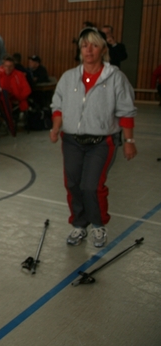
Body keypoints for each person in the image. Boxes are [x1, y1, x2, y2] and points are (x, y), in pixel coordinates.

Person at [50, 27, 137, 248]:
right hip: (71, 141)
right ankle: (79, 225)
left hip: (101, 143)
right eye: (84, 46)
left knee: (91, 186)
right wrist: (56, 127)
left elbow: (126, 111)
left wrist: (129, 142)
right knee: (73, 184)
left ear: (103, 49)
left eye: (94, 45)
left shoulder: (116, 77)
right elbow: (57, 105)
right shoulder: (69, 77)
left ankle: (98, 225)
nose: (88, 50)